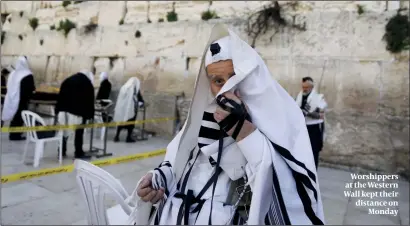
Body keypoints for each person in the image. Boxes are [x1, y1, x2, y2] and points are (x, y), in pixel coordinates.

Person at [132, 24, 324, 225]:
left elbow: (283, 189)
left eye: (233, 77)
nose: (226, 88)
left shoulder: (277, 123)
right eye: (218, 80)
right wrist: (158, 179)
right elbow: (180, 164)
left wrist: (244, 133)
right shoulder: (202, 118)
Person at [55, 70, 95, 159]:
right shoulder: (87, 83)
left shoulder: (67, 80)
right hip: (78, 113)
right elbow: (89, 100)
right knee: (79, 133)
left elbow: (60, 96)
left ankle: (61, 151)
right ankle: (78, 152)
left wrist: (57, 110)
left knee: (63, 131)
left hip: (63, 111)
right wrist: (90, 114)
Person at [295, 77, 327, 168]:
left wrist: (308, 113)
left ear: (311, 87)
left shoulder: (319, 98)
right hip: (303, 128)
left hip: (314, 128)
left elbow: (321, 115)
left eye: (306, 87)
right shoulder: (299, 97)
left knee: (313, 152)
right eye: (303, 87)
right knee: (301, 152)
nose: (304, 89)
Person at [2, 57, 36, 140]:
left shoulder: (13, 73)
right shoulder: (27, 74)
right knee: (19, 117)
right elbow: (30, 88)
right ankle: (15, 135)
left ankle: (13, 133)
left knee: (13, 115)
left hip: (11, 97)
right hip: (22, 99)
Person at [113, 77, 145, 143]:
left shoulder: (124, 87)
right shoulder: (134, 89)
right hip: (131, 110)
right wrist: (142, 102)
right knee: (131, 124)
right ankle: (128, 138)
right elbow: (139, 98)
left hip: (122, 109)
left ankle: (117, 136)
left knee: (121, 122)